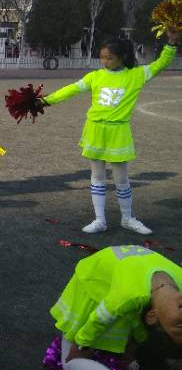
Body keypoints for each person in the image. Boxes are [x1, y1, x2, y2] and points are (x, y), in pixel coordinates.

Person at [43, 30, 179, 235]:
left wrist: (172, 42)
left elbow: (161, 64)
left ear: (123, 56)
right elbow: (72, 89)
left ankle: (127, 218)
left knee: (121, 179)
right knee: (97, 176)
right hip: (95, 129)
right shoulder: (95, 76)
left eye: (109, 58)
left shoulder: (136, 75)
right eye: (102, 57)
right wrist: (46, 100)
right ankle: (99, 220)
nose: (104, 62)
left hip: (118, 131)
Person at [49, 244, 182, 370]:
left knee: (69, 363)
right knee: (128, 335)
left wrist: (81, 344)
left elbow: (97, 320)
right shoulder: (135, 298)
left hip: (95, 284)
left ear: (152, 315)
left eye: (179, 325)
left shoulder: (128, 297)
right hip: (98, 277)